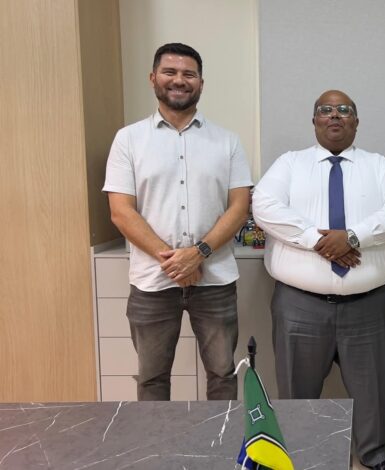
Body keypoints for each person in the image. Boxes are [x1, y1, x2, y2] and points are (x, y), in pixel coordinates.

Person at [252, 90, 385, 470]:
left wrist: (353, 237)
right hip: (299, 305)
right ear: (314, 121)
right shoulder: (289, 164)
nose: (335, 115)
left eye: (344, 110)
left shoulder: (380, 166)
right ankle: (298, 452)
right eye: (325, 110)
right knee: (296, 387)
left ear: (356, 121)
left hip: (368, 304)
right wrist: (319, 241)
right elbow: (264, 206)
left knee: (372, 389)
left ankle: (374, 453)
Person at [103, 43, 253, 401]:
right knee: (152, 378)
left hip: (214, 280)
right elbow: (121, 211)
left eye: (189, 74)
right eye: (169, 72)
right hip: (152, 282)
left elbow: (239, 207)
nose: (179, 80)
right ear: (153, 78)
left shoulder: (227, 141)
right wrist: (174, 260)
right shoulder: (128, 140)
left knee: (222, 374)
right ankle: (157, 441)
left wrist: (198, 253)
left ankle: (220, 438)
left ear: (201, 83)